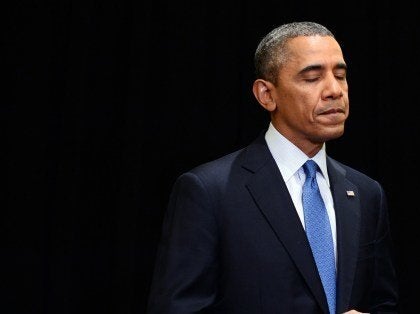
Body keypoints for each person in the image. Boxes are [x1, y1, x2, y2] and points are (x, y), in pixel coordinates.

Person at [146, 21, 399, 314]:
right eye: (312, 78)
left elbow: (383, 303)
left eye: (340, 76)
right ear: (267, 94)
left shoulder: (367, 193)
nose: (334, 90)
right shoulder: (209, 191)